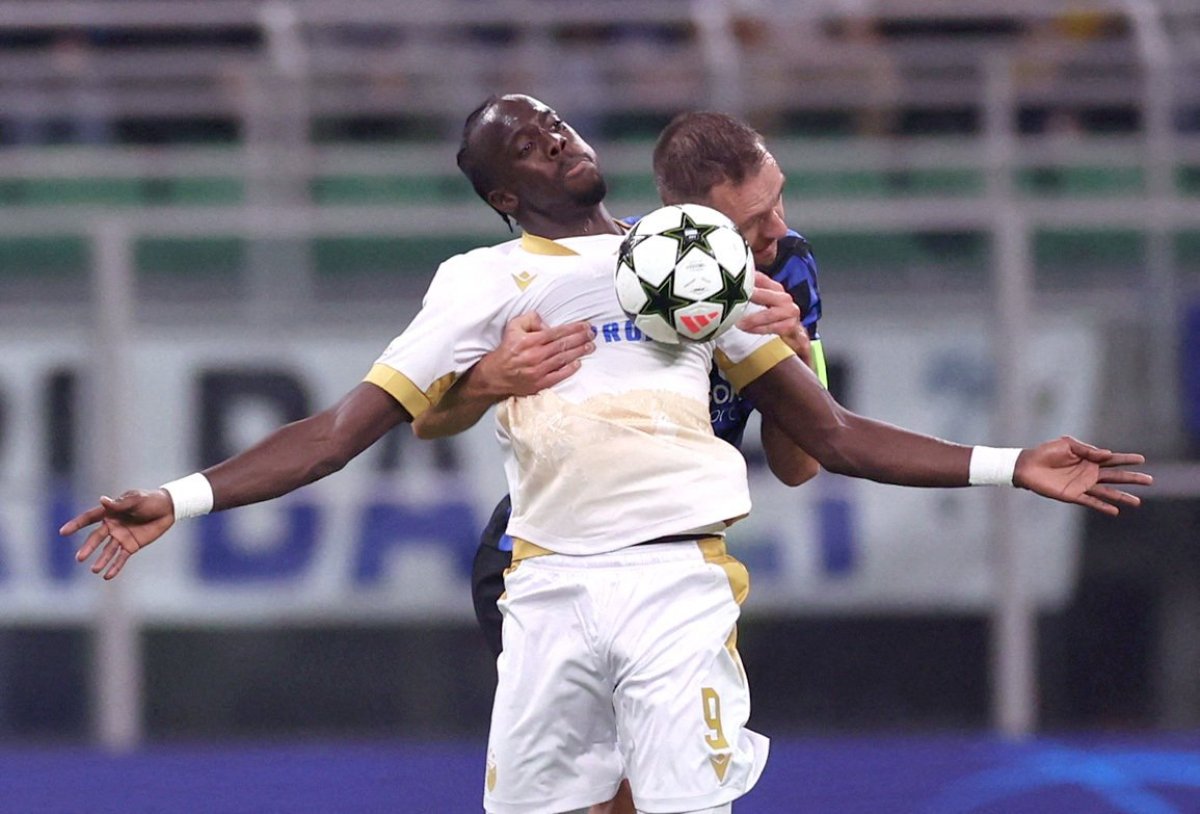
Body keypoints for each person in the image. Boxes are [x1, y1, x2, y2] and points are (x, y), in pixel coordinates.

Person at [62, 94, 1151, 814]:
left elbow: (827, 435)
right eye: (528, 144)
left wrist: (1012, 463)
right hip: (541, 584)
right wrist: (180, 497)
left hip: (674, 579)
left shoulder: (691, 258)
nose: (556, 138)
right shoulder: (479, 284)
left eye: (556, 122)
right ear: (505, 194)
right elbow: (342, 431)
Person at [417, 109, 827, 664]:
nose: (776, 229)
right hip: (547, 554)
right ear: (686, 222)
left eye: (778, 200)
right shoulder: (608, 269)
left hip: (671, 554)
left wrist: (796, 355)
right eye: (751, 222)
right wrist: (490, 378)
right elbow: (427, 419)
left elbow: (801, 466)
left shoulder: (788, 269)